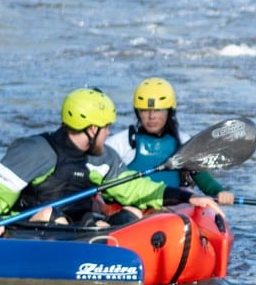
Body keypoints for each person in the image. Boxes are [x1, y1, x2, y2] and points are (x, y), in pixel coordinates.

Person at [0, 88, 121, 236]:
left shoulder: (104, 158)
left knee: (128, 214)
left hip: (78, 228)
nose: (109, 133)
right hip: (31, 229)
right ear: (93, 129)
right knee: (52, 215)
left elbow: (135, 188)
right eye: (107, 127)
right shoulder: (36, 152)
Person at [100, 77, 233, 213]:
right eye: (145, 110)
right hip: (132, 210)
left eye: (158, 110)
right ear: (137, 112)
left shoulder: (183, 142)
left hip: (171, 210)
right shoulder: (121, 142)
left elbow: (203, 179)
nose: (151, 117)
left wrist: (220, 192)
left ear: (169, 111)